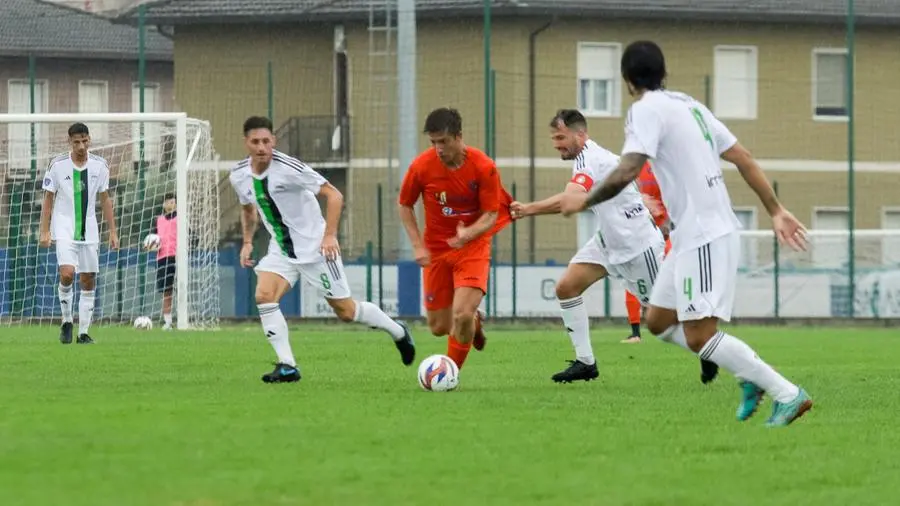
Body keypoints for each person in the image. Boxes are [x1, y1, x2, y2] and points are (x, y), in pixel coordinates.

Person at [559, 41, 812, 427]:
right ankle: (748, 375)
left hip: (706, 235)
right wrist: (775, 209)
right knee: (658, 321)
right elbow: (742, 157)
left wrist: (585, 200)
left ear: (627, 80)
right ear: (664, 73)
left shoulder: (643, 110)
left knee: (699, 336)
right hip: (691, 236)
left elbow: (628, 169)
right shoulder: (689, 105)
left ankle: (787, 393)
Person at [511, 109, 713, 384]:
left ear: (580, 134)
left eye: (560, 137)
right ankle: (586, 362)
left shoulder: (588, 160)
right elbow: (618, 181)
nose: (556, 144)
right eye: (553, 138)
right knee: (566, 288)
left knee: (662, 321)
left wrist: (529, 209)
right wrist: (639, 198)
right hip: (607, 242)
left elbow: (570, 199)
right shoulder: (597, 157)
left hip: (636, 247)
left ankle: (708, 347)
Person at [230, 116, 415, 384]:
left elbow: (334, 195)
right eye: (255, 141)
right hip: (282, 249)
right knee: (264, 295)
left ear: (274, 141)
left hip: (316, 248)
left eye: (266, 141)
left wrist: (329, 236)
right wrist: (247, 241)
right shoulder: (239, 174)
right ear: (246, 142)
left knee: (346, 312)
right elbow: (248, 208)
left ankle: (398, 331)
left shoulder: (289, 168)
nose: (261, 147)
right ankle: (288, 365)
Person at [398, 107, 512, 370]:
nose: (438, 148)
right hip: (437, 251)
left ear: (459, 136)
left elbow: (491, 213)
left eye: (444, 141)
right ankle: (473, 323)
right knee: (439, 327)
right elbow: (404, 204)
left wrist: (468, 234)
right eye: (433, 142)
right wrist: (417, 245)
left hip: (473, 247)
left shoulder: (484, 167)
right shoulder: (421, 166)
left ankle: (448, 373)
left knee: (461, 314)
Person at [39, 122, 119, 345]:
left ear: (89, 139)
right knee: (67, 274)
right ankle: (66, 321)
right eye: (77, 142)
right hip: (63, 226)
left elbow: (105, 199)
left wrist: (113, 231)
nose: (81, 146)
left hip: (89, 229)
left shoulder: (100, 166)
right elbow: (48, 198)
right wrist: (44, 230)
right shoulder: (57, 165)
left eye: (85, 141)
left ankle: (83, 333)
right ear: (69, 142)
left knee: (88, 279)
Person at [145, 193, 177, 330]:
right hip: (163, 258)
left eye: (173, 201)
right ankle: (168, 322)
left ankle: (184, 318)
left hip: (177, 257)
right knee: (166, 291)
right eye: (168, 202)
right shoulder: (158, 220)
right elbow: (152, 239)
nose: (170, 204)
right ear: (164, 205)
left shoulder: (180, 219)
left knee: (180, 287)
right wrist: (148, 245)